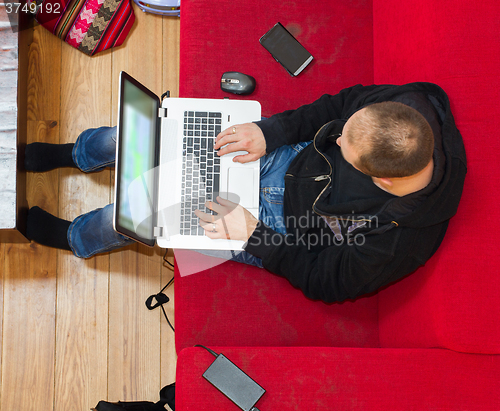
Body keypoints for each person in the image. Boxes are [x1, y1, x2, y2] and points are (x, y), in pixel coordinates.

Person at [25, 82, 466, 302]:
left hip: (275, 228)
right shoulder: (409, 105)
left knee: (141, 211)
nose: (334, 139)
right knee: (143, 136)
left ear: (382, 181)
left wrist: (254, 235)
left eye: (344, 151)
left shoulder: (399, 240)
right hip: (285, 156)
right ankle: (78, 154)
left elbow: (326, 283)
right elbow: (334, 108)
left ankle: (76, 238)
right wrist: (270, 130)